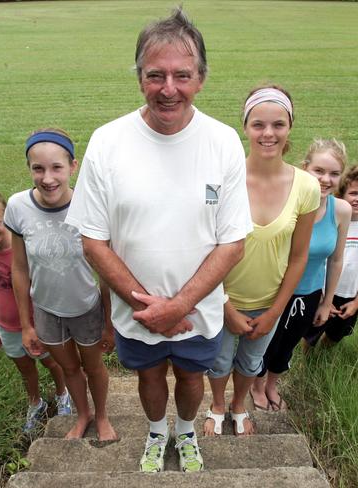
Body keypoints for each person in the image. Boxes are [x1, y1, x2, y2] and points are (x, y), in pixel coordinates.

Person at [65, 8, 251, 472]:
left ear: (202, 78)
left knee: (191, 376)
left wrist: (179, 305)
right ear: (139, 78)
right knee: (148, 376)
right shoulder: (107, 142)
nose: (169, 88)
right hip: (136, 313)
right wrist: (151, 306)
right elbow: (93, 239)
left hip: (200, 313)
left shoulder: (223, 141)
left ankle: (185, 431)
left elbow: (233, 243)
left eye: (182, 75)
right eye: (155, 75)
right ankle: (155, 431)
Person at [204, 85, 320, 437]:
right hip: (221, 299)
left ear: (289, 127)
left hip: (270, 303)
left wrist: (274, 311)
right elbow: (206, 246)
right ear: (245, 127)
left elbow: (299, 256)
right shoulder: (220, 180)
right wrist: (225, 306)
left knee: (251, 362)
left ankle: (239, 405)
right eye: (258, 124)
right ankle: (217, 406)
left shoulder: (307, 186)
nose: (268, 133)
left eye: (278, 124)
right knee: (219, 361)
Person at [4, 129, 117, 441]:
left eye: (57, 167)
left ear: (73, 166)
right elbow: (20, 267)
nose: (47, 178)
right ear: (29, 168)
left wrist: (110, 321)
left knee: (93, 367)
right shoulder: (17, 207)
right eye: (38, 168)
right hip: (46, 310)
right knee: (69, 369)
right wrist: (26, 325)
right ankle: (83, 416)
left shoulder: (91, 207)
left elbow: (105, 270)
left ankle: (103, 416)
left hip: (86, 307)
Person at [251, 138, 351, 411]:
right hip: (276, 290)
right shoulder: (288, 202)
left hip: (309, 292)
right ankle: (256, 385)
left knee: (288, 344)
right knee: (266, 344)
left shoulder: (341, 211)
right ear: (305, 168)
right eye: (319, 171)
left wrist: (327, 301)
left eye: (334, 174)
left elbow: (336, 259)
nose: (325, 179)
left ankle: (272, 385)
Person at [0, 190, 69, 433]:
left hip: (35, 323)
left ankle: (63, 394)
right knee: (25, 369)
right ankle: (35, 402)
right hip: (6, 325)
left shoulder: (24, 249)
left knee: (52, 363)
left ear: (8, 218)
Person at [304, 166, 358, 347]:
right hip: (321, 291)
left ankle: (322, 359)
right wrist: (323, 299)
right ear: (341, 195)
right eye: (353, 193)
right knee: (310, 336)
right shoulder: (331, 220)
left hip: (350, 295)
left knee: (335, 336)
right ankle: (307, 361)